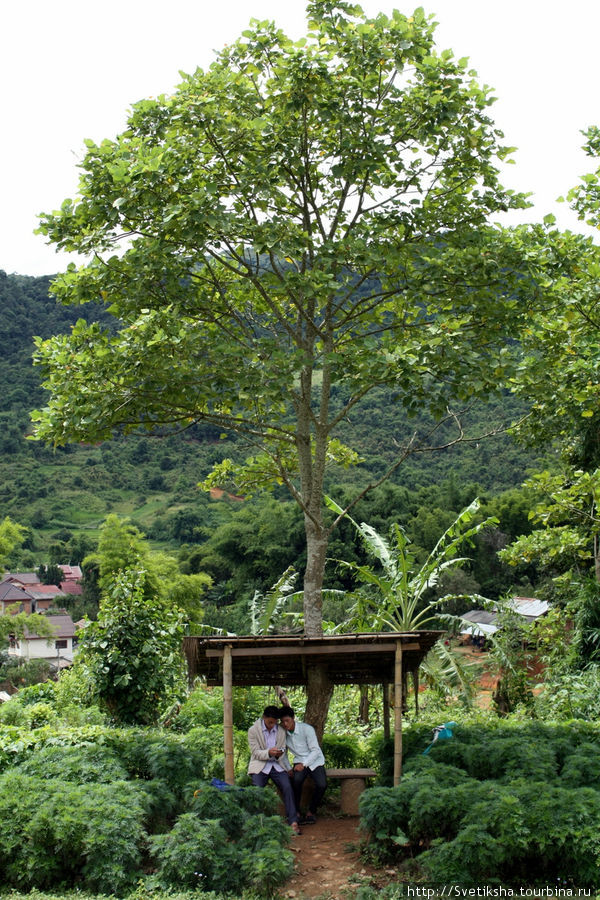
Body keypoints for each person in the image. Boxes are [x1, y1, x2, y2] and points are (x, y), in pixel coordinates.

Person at [247, 705, 301, 834]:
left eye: (275, 722)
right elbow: (255, 753)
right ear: (264, 718)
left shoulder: (281, 730)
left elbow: (283, 749)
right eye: (270, 722)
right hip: (260, 765)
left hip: (277, 765)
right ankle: (257, 823)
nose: (272, 725)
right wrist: (269, 753)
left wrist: (279, 754)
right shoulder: (253, 730)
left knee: (287, 787)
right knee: (257, 790)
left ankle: (293, 822)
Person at [279, 705, 327, 825]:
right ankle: (297, 812)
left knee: (322, 785)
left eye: (287, 720)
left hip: (315, 760)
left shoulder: (307, 729)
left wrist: (304, 764)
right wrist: (289, 768)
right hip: (298, 761)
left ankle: (311, 811)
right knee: (296, 781)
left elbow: (315, 750)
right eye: (282, 721)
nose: (285, 724)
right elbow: (283, 753)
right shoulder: (282, 734)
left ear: (293, 718)